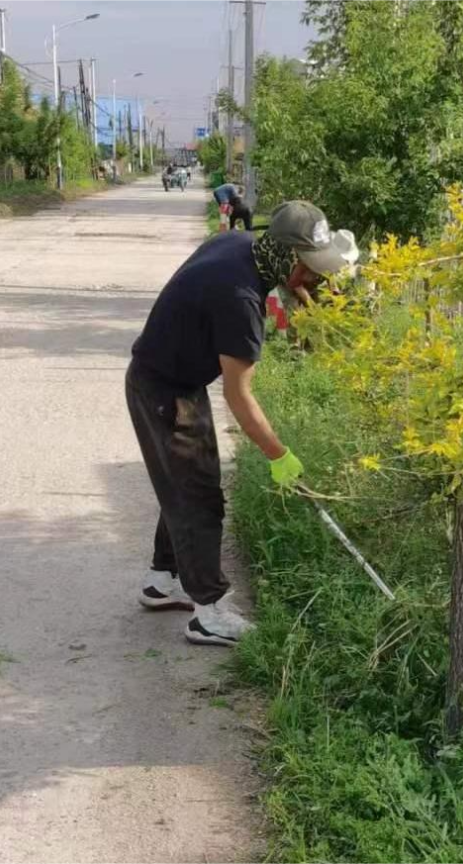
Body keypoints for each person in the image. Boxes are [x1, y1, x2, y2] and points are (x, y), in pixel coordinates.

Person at [127, 201, 360, 646]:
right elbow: (238, 395)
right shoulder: (241, 301)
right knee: (199, 497)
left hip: (171, 377)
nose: (316, 278)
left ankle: (162, 581)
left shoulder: (240, 245)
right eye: (310, 269)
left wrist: (302, 296)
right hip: (163, 391)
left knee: (184, 484)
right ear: (287, 257)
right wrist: (279, 455)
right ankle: (209, 613)